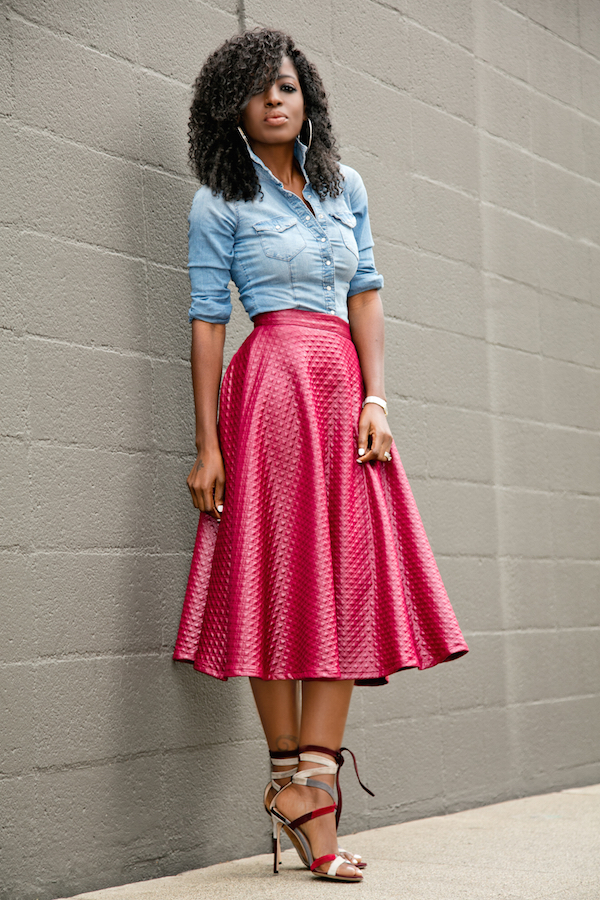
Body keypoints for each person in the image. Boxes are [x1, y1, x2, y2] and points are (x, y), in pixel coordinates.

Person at [173, 28, 468, 883]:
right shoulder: (217, 199)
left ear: (309, 99)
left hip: (341, 392)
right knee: (271, 575)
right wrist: (208, 447)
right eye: (259, 89)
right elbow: (205, 320)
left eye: (290, 87)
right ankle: (297, 795)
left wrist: (379, 398)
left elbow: (366, 291)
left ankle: (311, 789)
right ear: (230, 108)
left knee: (338, 574)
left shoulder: (349, 188)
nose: (276, 99)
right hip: (266, 390)